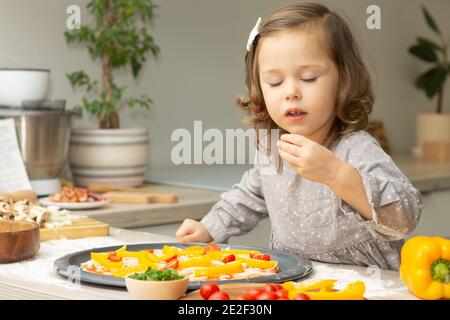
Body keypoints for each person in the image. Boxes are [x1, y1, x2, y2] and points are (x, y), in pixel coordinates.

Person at [176, 2, 422, 270]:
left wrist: (335, 173)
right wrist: (207, 228)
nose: (290, 92)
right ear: (259, 89)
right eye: (275, 82)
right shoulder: (272, 150)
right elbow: (246, 198)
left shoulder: (356, 148)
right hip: (295, 279)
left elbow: (404, 217)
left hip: (366, 283)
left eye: (308, 77)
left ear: (343, 80)